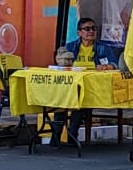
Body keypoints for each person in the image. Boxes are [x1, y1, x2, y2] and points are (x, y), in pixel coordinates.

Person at [50, 17, 118, 147]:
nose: (91, 31)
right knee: (60, 100)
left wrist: (107, 66)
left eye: (93, 28)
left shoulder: (103, 48)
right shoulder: (70, 47)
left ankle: (72, 133)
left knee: (81, 100)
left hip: (92, 86)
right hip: (71, 84)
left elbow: (114, 63)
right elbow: (60, 64)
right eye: (87, 29)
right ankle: (56, 134)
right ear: (79, 32)